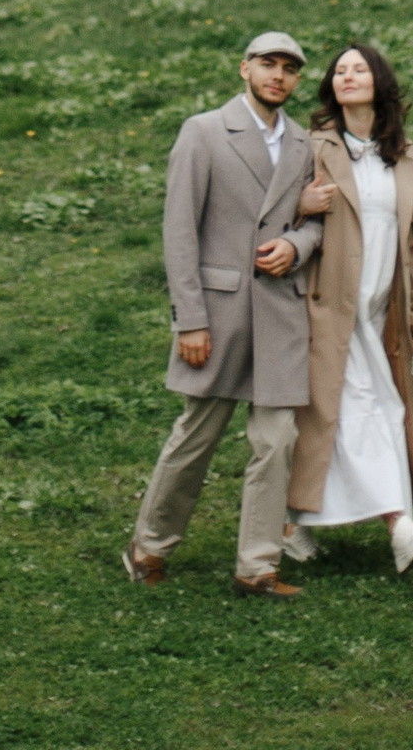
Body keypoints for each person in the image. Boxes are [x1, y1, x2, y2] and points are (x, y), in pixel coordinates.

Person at [124, 33, 324, 598]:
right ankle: (148, 547)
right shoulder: (204, 131)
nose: (278, 75)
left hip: (281, 314)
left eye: (288, 68)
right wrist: (190, 318)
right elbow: (179, 229)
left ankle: (257, 567)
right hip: (219, 311)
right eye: (268, 64)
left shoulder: (307, 144)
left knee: (278, 439)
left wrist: (298, 246)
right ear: (245, 69)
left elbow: (319, 220)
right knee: (196, 437)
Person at [283, 39, 413, 576]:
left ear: (379, 82)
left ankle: (295, 525)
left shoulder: (406, 154)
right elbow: (274, 216)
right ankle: (399, 528)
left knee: (353, 413)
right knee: (371, 409)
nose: (347, 76)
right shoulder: (311, 147)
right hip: (327, 308)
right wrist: (299, 202)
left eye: (359, 69)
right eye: (339, 71)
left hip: (383, 312)